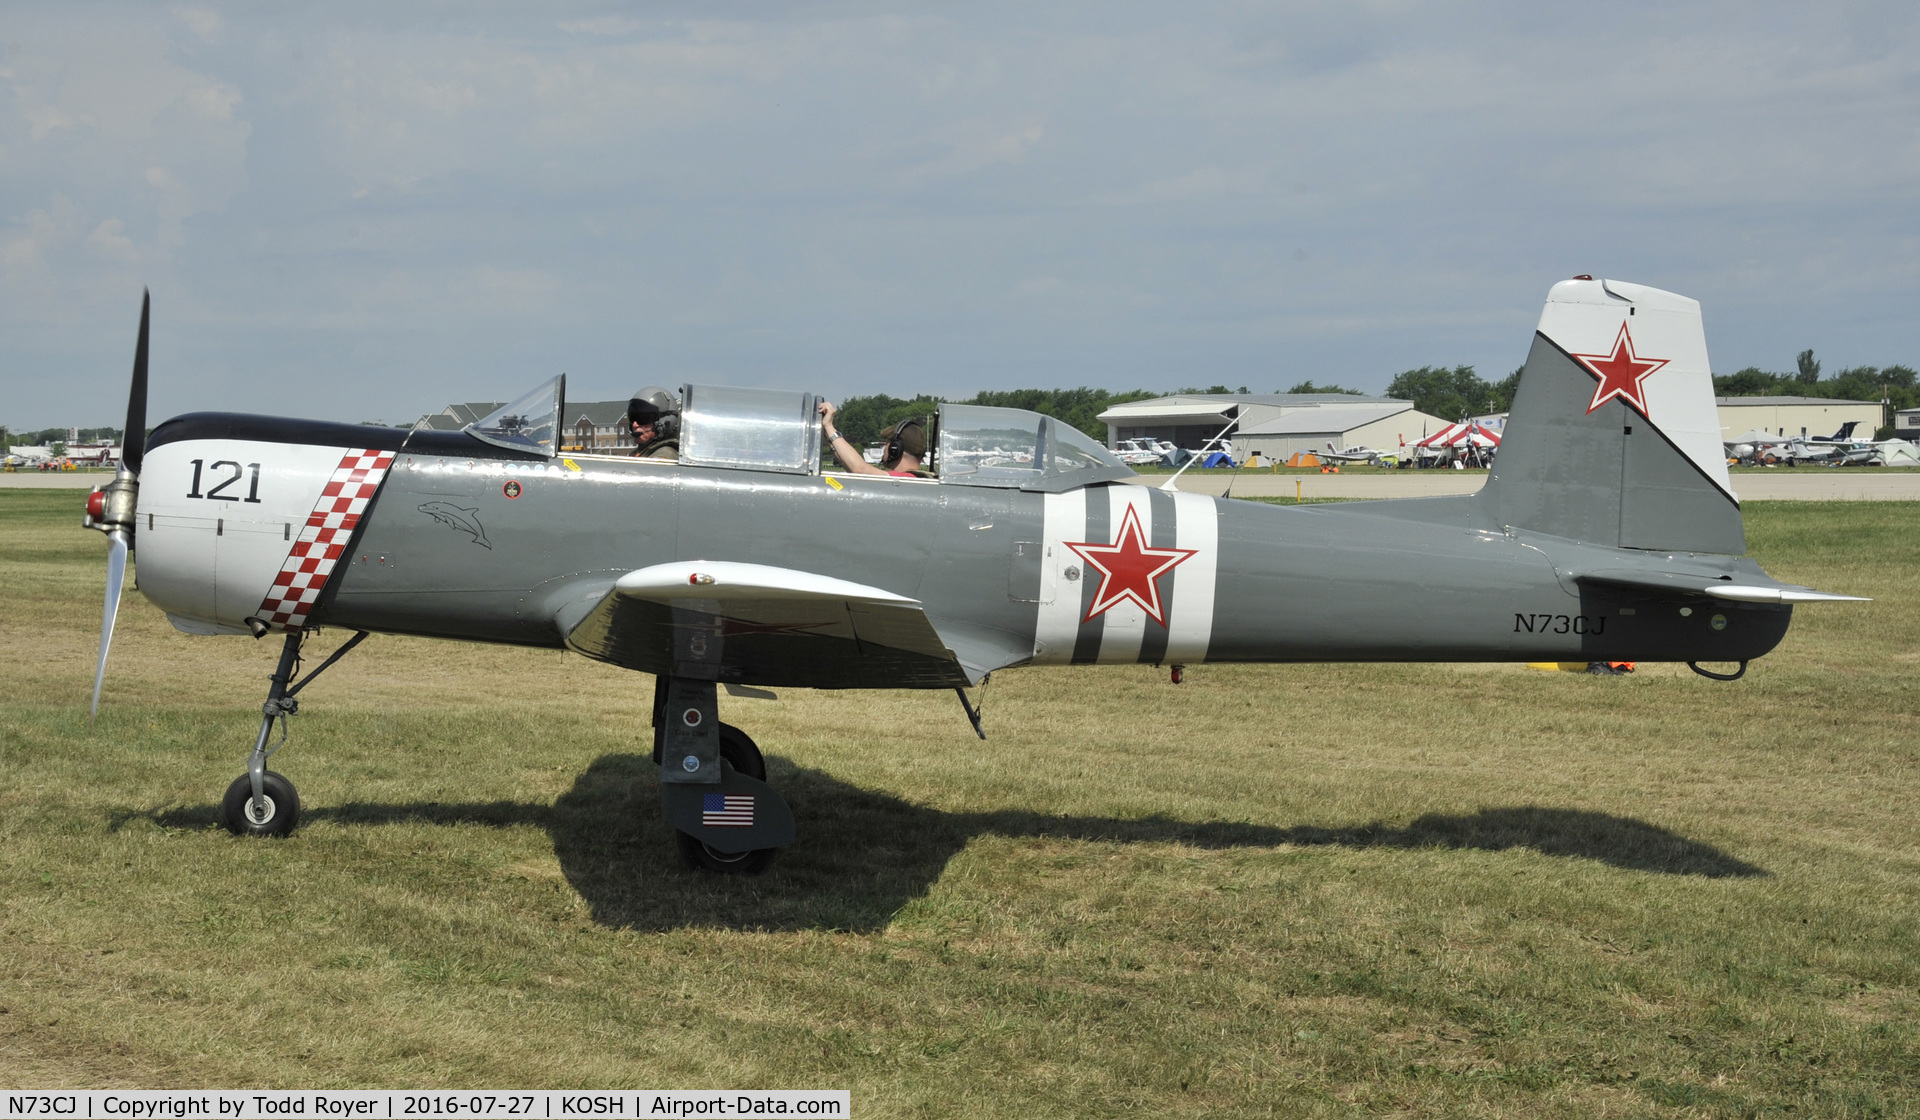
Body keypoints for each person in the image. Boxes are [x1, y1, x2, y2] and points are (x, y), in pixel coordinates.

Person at [817, 401, 929, 477]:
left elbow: (859, 470)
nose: (885, 447)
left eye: (887, 443)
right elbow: (853, 469)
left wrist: (829, 426)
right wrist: (828, 435)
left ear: (895, 449)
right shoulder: (914, 479)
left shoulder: (906, 479)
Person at [627, 387, 680, 461]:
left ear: (665, 422)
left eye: (643, 418)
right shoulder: (644, 453)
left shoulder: (664, 456)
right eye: (633, 417)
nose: (635, 425)